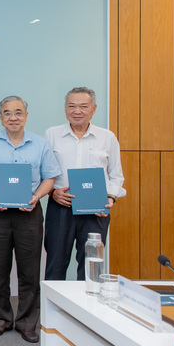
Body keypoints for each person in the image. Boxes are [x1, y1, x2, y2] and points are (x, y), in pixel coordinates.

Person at [0, 95, 60, 343]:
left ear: (26, 116)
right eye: (8, 113)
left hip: (29, 213)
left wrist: (36, 197)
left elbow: (49, 177)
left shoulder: (40, 144)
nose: (13, 117)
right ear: (0, 117)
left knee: (30, 271)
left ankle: (27, 322)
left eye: (18, 112)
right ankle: (0, 318)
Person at [44, 87, 125, 280]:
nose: (77, 111)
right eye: (72, 106)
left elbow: (116, 174)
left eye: (83, 106)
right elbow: (43, 172)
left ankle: (89, 300)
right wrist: (52, 192)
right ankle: (52, 301)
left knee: (92, 266)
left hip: (95, 210)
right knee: (55, 263)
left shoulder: (107, 137)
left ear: (93, 109)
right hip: (61, 206)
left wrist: (110, 198)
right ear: (65, 108)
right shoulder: (52, 134)